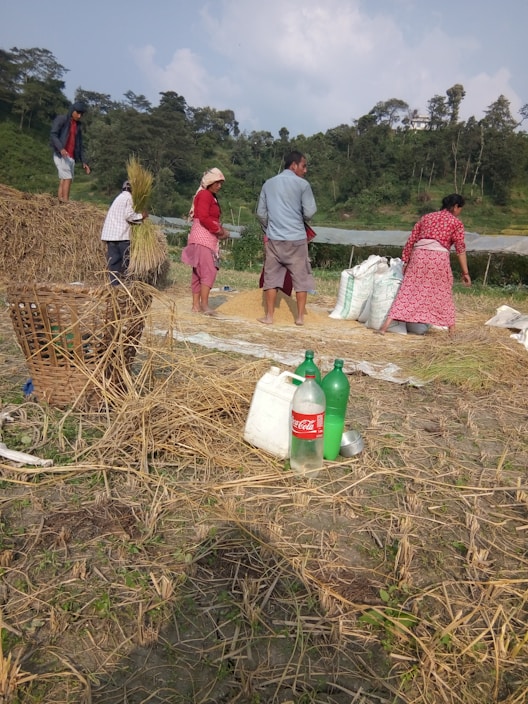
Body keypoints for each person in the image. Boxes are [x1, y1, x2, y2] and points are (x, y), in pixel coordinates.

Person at [377, 193, 471, 335]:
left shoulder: (426, 218)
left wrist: (406, 261)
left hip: (418, 257)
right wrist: (465, 273)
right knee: (443, 294)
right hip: (438, 260)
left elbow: (411, 241)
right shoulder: (455, 223)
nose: (459, 212)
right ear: (456, 206)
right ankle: (452, 332)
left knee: (407, 291)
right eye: (460, 209)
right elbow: (460, 249)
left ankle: (384, 327)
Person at [256, 151, 317, 326]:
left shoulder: (268, 184)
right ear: (294, 165)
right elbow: (310, 212)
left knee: (271, 278)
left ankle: (269, 317)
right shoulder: (303, 185)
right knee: (301, 278)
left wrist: (270, 226)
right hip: (296, 239)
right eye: (303, 166)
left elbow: (261, 213)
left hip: (274, 238)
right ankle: (299, 318)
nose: (305, 170)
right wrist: (298, 218)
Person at [181, 167, 229, 315]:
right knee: (209, 271)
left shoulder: (206, 195)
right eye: (217, 183)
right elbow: (203, 217)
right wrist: (219, 230)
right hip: (204, 238)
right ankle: (204, 305)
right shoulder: (205, 195)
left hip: (199, 237)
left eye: (221, 183)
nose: (219, 186)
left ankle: (196, 305)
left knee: (198, 273)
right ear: (209, 182)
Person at [101, 180, 148, 286]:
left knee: (113, 262)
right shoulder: (128, 198)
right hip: (121, 236)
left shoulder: (119, 198)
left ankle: (115, 285)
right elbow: (129, 215)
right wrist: (142, 216)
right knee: (126, 261)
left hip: (111, 236)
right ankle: (127, 285)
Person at [49, 101, 91, 202]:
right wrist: (61, 148)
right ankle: (66, 202)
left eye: (81, 114)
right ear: (72, 111)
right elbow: (53, 135)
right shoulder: (62, 120)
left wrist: (84, 162)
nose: (79, 116)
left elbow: (80, 145)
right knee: (67, 178)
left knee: (65, 179)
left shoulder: (78, 126)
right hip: (61, 155)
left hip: (71, 157)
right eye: (78, 113)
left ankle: (60, 201)